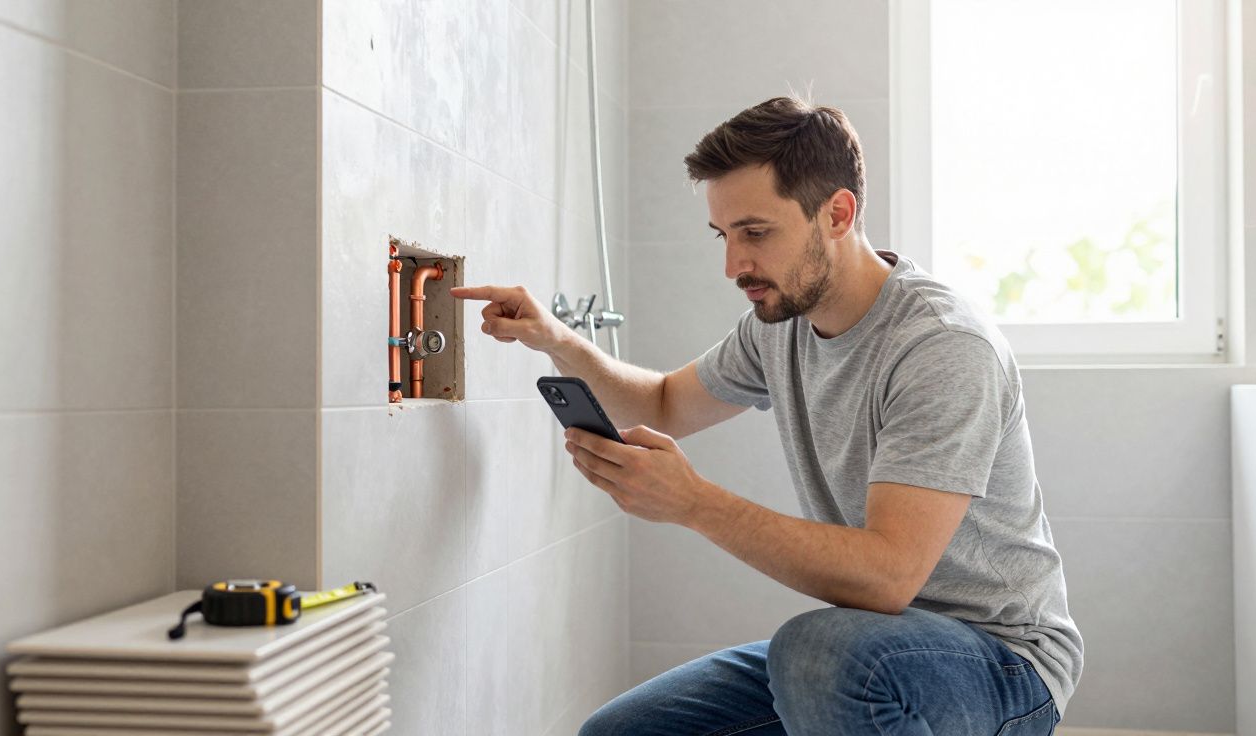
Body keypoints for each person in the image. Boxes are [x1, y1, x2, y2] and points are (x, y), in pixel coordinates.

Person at [452, 96, 1081, 736]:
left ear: (837, 214)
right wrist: (556, 338)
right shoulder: (778, 326)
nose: (733, 265)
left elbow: (889, 576)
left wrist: (693, 502)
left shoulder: (941, 346)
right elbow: (663, 403)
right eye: (724, 236)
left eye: (755, 232)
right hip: (871, 648)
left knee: (817, 649)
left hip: (1001, 663)